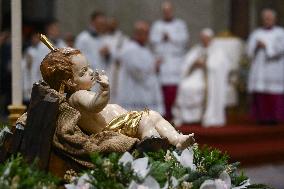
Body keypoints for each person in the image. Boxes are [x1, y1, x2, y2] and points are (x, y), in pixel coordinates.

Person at [39, 44, 194, 150]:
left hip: (121, 121)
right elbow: (95, 105)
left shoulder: (80, 92)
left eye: (88, 67)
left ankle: (175, 139)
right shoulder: (77, 96)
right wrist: (104, 90)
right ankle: (152, 144)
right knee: (147, 120)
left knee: (153, 116)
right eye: (83, 72)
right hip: (114, 127)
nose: (91, 72)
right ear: (70, 82)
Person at [173, 28, 229, 127]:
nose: (204, 40)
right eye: (202, 38)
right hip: (195, 75)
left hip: (209, 79)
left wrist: (206, 64)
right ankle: (186, 117)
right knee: (184, 86)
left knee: (197, 88)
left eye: (206, 38)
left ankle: (201, 116)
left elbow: (221, 66)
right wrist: (194, 63)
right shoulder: (197, 49)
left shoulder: (217, 50)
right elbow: (186, 63)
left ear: (211, 39)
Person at [150, 1, 189, 120]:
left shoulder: (180, 24)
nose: (167, 13)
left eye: (169, 10)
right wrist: (161, 37)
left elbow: (184, 40)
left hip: (176, 60)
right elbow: (152, 40)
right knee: (162, 87)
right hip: (162, 61)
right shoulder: (157, 25)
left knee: (175, 87)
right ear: (163, 12)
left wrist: (171, 37)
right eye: (165, 11)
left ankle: (174, 113)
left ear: (172, 11)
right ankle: (164, 113)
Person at [116, 21, 164, 114]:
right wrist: (154, 65)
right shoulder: (130, 49)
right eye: (146, 33)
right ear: (138, 34)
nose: (148, 36)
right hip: (133, 95)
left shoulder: (144, 49)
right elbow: (138, 73)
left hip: (144, 94)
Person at [247, 9, 284, 124]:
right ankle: (261, 118)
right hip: (259, 68)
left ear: (274, 19)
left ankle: (274, 118)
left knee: (273, 94)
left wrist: (266, 46)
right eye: (265, 19)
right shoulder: (256, 33)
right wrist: (256, 46)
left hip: (274, 67)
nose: (267, 20)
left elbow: (281, 48)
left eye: (269, 18)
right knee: (260, 93)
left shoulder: (280, 32)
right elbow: (248, 50)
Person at [75, 11, 111, 76]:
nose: (102, 26)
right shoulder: (83, 38)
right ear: (92, 22)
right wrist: (98, 53)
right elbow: (78, 59)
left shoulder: (103, 38)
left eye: (103, 24)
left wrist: (106, 55)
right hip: (88, 77)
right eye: (100, 23)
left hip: (100, 76)